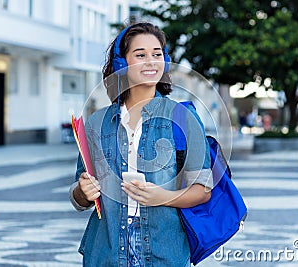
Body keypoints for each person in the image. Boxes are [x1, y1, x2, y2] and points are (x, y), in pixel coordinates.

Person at [69, 22, 213, 267]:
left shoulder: (183, 118)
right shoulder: (97, 123)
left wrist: (163, 197)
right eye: (140, 55)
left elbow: (203, 190)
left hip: (164, 252)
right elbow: (78, 197)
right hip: (107, 252)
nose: (151, 61)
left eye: (157, 54)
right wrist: (83, 192)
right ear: (121, 64)